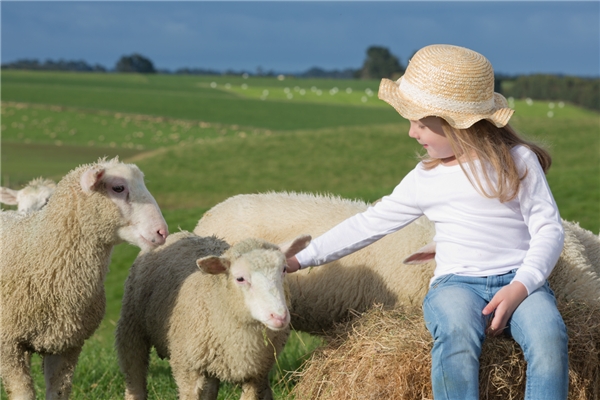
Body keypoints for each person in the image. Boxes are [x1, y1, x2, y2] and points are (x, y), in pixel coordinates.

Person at [286, 44, 568, 400]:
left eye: (420, 123)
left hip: (520, 281)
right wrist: (301, 258)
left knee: (549, 336)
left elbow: (549, 229)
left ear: (457, 126)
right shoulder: (425, 178)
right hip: (457, 285)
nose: (411, 133)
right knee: (456, 334)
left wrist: (523, 286)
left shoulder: (518, 161)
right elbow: (368, 223)